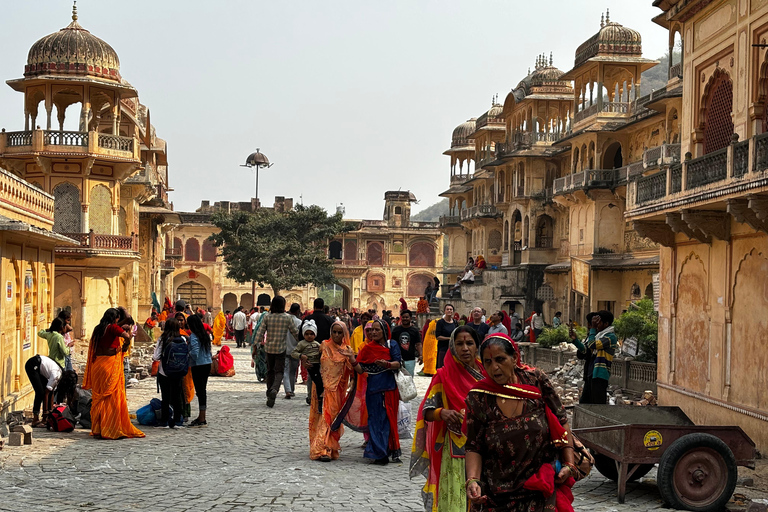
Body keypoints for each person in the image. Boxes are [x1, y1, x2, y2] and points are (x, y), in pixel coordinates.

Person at [465, 334, 576, 511]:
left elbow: (561, 419)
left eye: (500, 359)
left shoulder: (535, 380)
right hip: (497, 495)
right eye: (488, 362)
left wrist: (569, 464)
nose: (495, 368)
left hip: (539, 489)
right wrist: (472, 480)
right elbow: (473, 445)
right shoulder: (479, 396)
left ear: (514, 358)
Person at [410, 326, 486, 512]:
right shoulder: (443, 376)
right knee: (455, 500)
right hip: (455, 449)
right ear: (452, 347)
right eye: (459, 344)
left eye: (469, 343)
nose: (465, 348)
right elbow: (426, 411)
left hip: (485, 447)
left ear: (477, 347)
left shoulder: (487, 375)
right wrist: (442, 413)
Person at [345, 318, 402, 465]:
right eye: (371, 330)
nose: (374, 332)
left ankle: (388, 448)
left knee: (388, 421)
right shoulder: (367, 349)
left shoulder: (392, 345)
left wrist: (387, 364)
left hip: (389, 389)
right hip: (373, 390)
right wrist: (352, 359)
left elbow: (398, 363)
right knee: (375, 421)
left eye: (377, 329)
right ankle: (379, 452)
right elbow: (361, 369)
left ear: (384, 331)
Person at [82, 308, 144, 439]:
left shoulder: (98, 329)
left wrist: (121, 326)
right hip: (109, 365)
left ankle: (98, 428)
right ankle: (111, 428)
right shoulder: (113, 328)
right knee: (112, 397)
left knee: (98, 398)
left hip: (97, 366)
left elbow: (109, 333)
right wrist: (125, 345)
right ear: (115, 319)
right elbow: (126, 336)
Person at [309, 321, 355, 462]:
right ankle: (322, 449)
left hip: (337, 391)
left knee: (330, 419)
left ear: (344, 334)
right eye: (334, 332)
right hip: (321, 388)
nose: (336, 335)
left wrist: (351, 358)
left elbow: (354, 372)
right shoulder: (323, 345)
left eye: (339, 332)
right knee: (322, 418)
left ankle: (328, 448)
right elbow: (314, 362)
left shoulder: (347, 350)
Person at [251, 295, 300, 408]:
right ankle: (274, 389)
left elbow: (259, 333)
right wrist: (303, 344)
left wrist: (255, 347)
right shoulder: (287, 318)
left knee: (270, 371)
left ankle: (269, 392)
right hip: (281, 349)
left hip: (269, 348)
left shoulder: (267, 317)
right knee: (279, 372)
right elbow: (295, 333)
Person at [570, 311, 617, 405]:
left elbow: (592, 345)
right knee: (584, 402)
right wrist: (575, 340)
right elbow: (586, 351)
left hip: (600, 373)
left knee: (597, 403)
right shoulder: (598, 336)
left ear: (606, 324)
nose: (596, 325)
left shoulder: (610, 337)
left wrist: (593, 329)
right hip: (591, 373)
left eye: (598, 323)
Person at [152, 317, 189, 429]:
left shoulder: (163, 339)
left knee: (166, 396)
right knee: (177, 395)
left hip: (165, 372)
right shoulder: (182, 338)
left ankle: (165, 421)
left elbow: (156, 356)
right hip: (179, 371)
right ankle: (177, 420)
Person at [24, 354, 76, 427]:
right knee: (40, 393)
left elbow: (51, 393)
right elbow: (46, 393)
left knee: (48, 391)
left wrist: (51, 410)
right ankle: (35, 419)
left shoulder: (59, 376)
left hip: (39, 366)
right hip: (33, 364)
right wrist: (46, 414)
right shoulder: (56, 376)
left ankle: (44, 417)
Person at [292, 320, 324, 412]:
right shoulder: (302, 344)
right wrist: (301, 356)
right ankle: (317, 399)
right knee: (317, 382)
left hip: (318, 365)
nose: (309, 336)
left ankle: (315, 398)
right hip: (310, 365)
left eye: (311, 334)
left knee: (317, 382)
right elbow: (294, 353)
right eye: (307, 334)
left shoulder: (317, 344)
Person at [187, 314, 212, 427]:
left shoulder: (193, 336)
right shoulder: (204, 335)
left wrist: (186, 355)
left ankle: (202, 417)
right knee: (203, 390)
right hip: (207, 364)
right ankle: (202, 415)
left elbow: (195, 353)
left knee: (200, 391)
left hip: (198, 365)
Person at [391, 309, 422, 377]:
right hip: (397, 359)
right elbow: (392, 343)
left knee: (409, 379)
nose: (405, 319)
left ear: (410, 318)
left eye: (407, 317)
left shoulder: (415, 331)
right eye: (403, 317)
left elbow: (418, 343)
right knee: (397, 379)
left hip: (410, 359)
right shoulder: (396, 330)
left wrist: (420, 355)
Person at [283, 303, 303, 399]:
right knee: (293, 371)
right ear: (297, 311)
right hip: (296, 349)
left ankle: (288, 390)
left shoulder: (284, 320)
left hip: (285, 348)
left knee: (285, 371)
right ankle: (292, 389)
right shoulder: (299, 322)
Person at [434, 304, 457, 369]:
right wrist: (449, 338)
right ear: (444, 311)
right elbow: (438, 336)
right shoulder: (440, 322)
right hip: (443, 348)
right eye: (447, 309)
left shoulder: (455, 322)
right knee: (442, 367)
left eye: (451, 309)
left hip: (452, 349)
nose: (449, 311)